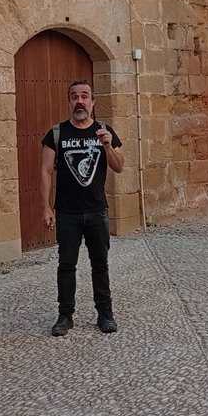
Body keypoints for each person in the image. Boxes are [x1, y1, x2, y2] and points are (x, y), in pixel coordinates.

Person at [41, 79, 124, 336]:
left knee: (100, 264)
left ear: (92, 102)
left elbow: (119, 166)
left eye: (84, 96)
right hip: (67, 213)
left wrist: (108, 145)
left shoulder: (104, 131)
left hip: (97, 211)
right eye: (75, 96)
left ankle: (105, 313)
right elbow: (45, 171)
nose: (80, 101)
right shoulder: (56, 134)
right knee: (66, 265)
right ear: (69, 101)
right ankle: (65, 315)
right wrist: (46, 207)